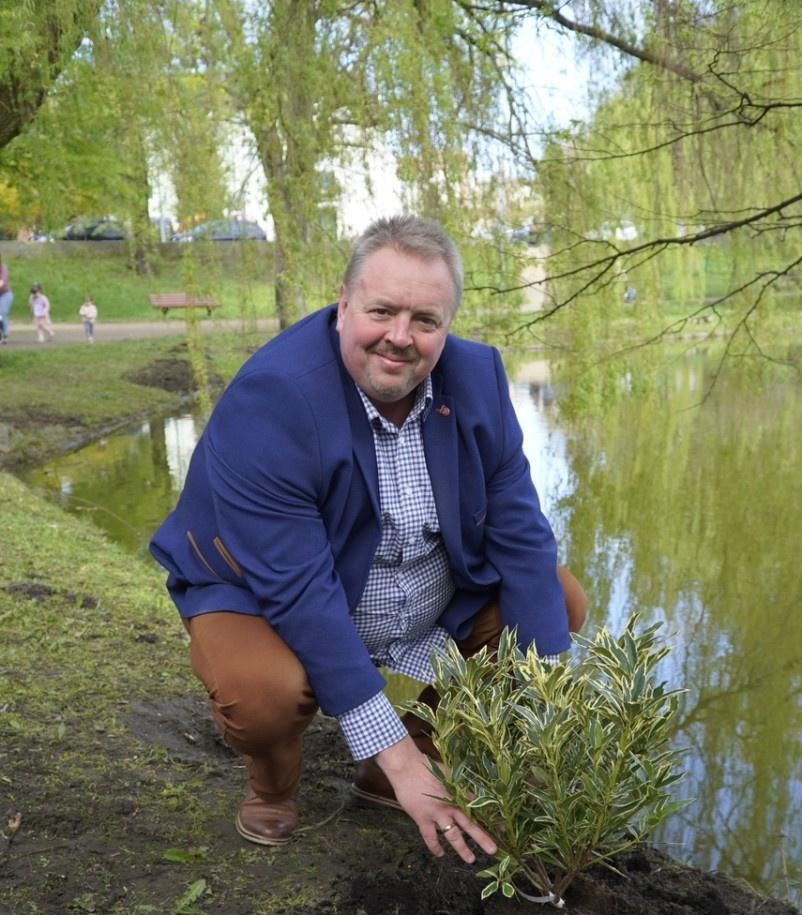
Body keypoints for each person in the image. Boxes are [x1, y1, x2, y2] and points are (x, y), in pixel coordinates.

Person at [150, 215, 587, 865]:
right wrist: (398, 753)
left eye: (426, 321)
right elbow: (301, 593)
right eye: (381, 310)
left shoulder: (480, 379)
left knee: (557, 601)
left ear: (448, 325)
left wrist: (548, 708)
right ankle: (275, 783)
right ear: (344, 301)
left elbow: (522, 535)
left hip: (421, 591)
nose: (400, 338)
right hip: (265, 589)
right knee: (261, 694)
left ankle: (398, 767)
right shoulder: (274, 398)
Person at [0, 256, 13, 342]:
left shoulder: (3, 267)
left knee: (2, 313)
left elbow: (2, 281)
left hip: (5, 294)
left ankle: (5, 334)